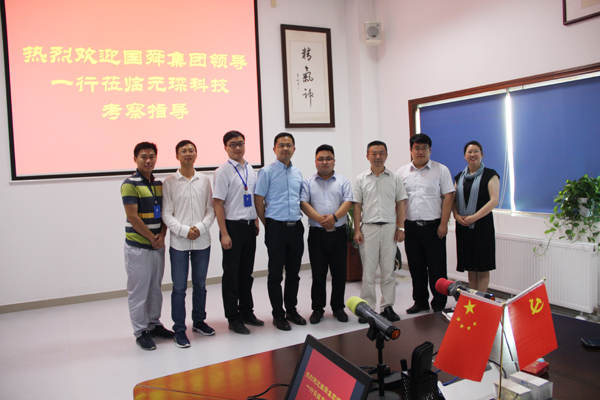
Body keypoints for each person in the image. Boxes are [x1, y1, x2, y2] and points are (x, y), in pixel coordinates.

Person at [121, 142, 174, 351]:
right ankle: (141, 331)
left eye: (152, 156)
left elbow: (165, 213)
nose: (148, 160)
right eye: (143, 156)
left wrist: (162, 235)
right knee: (138, 291)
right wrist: (152, 237)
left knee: (154, 289)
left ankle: (154, 324)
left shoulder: (159, 184)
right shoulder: (129, 184)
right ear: (135, 159)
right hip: (138, 247)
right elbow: (133, 217)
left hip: (157, 246)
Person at [162, 140, 215, 348]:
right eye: (183, 151)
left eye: (191, 150)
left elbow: (210, 209)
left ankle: (199, 321)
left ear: (196, 154)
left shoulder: (204, 180)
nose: (188, 154)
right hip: (179, 243)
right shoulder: (169, 182)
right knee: (179, 288)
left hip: (202, 241)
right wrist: (185, 231)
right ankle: (179, 329)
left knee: (200, 284)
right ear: (177, 156)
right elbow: (166, 213)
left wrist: (200, 228)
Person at [213, 130, 264, 335]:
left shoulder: (250, 168)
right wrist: (224, 233)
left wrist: (255, 220)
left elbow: (251, 198)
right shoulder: (222, 171)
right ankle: (233, 318)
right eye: (233, 144)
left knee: (246, 273)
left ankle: (246, 312)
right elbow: (218, 204)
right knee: (231, 275)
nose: (237, 147)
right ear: (225, 147)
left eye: (240, 143)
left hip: (249, 227)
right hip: (232, 228)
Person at [398, 133, 455, 314]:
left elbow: (448, 197)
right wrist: (400, 227)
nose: (420, 152)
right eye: (417, 148)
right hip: (411, 227)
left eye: (424, 148)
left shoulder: (441, 170)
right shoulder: (402, 172)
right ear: (411, 150)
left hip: (434, 227)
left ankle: (439, 303)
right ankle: (420, 301)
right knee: (416, 268)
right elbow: (399, 202)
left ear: (430, 150)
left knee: (437, 269)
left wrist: (444, 224)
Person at [254, 132, 306, 331]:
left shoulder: (298, 173)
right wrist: (268, 224)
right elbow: (259, 200)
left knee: (294, 273)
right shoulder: (266, 172)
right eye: (281, 145)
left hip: (296, 227)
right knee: (275, 275)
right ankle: (278, 314)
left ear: (294, 149)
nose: (285, 148)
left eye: (288, 145)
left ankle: (291, 310)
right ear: (274, 149)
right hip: (276, 227)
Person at [353, 140, 407, 323]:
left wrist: (401, 227)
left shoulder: (394, 177)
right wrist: (357, 230)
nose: (377, 157)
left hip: (390, 228)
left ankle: (387, 307)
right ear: (367, 156)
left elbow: (400, 203)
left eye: (381, 153)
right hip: (368, 229)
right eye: (373, 153)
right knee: (368, 273)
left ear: (386, 155)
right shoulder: (361, 179)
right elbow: (357, 206)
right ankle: (367, 308)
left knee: (388, 271)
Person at [300, 144, 353, 324]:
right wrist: (321, 220)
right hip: (317, 234)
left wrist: (334, 218)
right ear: (315, 162)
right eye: (321, 159)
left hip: (339, 233)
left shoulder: (343, 181)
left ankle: (338, 307)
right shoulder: (308, 182)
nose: (325, 162)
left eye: (328, 158)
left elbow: (348, 202)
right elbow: (304, 203)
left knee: (339, 273)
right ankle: (317, 309)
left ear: (334, 161)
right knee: (318, 273)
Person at [452, 141, 499, 293]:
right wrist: (456, 215)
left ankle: (481, 299)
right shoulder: (460, 177)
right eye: (469, 152)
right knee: (470, 265)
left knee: (483, 266)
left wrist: (474, 217)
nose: (473, 154)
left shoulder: (490, 175)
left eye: (476, 151)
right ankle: (473, 296)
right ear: (465, 156)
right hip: (463, 226)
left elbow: (494, 201)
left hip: (482, 226)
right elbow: (453, 200)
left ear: (482, 155)